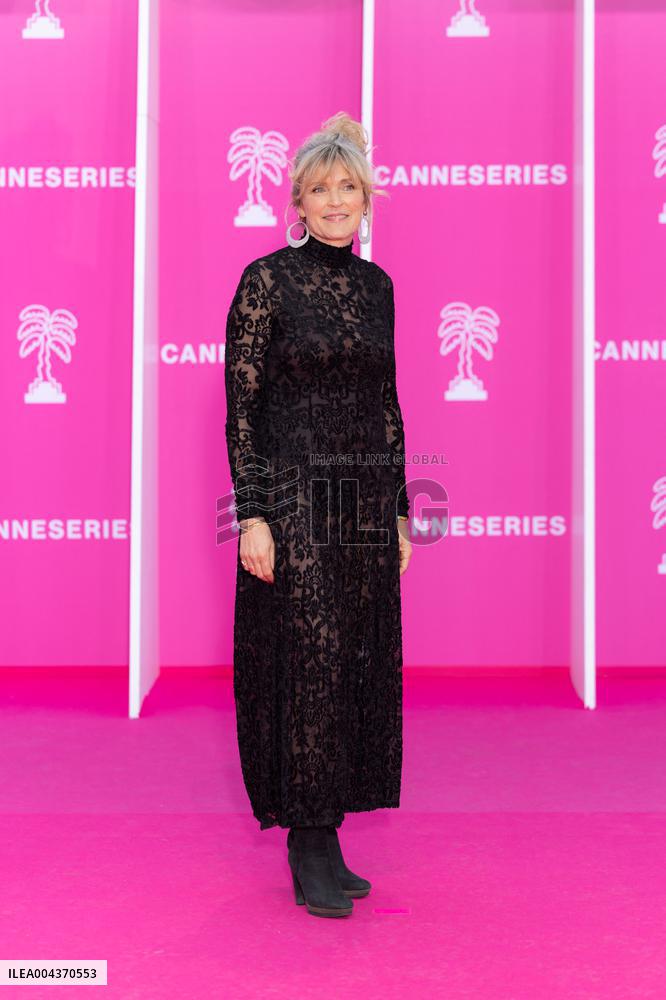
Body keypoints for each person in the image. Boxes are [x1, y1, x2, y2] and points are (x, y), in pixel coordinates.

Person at [224, 111, 412, 918]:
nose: (336, 201)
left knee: (354, 663)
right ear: (295, 200)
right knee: (304, 665)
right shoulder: (265, 281)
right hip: (296, 500)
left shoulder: (378, 287)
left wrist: (402, 512)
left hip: (364, 503)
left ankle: (330, 833)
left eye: (349, 188)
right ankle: (304, 841)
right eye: (320, 189)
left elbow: (389, 402)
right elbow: (241, 407)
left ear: (366, 199)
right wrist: (254, 516)